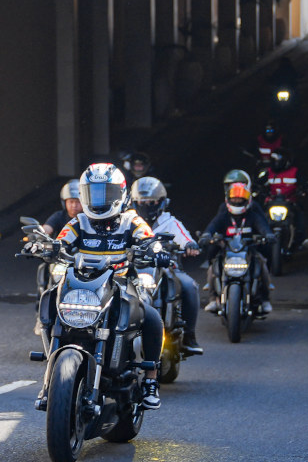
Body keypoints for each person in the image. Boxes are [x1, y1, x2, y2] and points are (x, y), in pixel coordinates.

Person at [55, 163, 165, 410]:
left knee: (152, 317)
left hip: (121, 287)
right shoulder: (79, 222)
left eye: (106, 193)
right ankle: (54, 364)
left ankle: (150, 379)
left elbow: (148, 239)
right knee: (51, 297)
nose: (99, 200)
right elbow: (60, 243)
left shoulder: (131, 220)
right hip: (83, 286)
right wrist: (44, 248)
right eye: (93, 193)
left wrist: (155, 249)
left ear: (120, 194)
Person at [130, 176, 205, 356]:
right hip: (134, 269)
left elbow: (184, 237)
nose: (147, 205)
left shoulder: (169, 222)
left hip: (168, 268)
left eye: (152, 202)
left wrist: (189, 245)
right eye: (142, 201)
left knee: (189, 286)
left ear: (162, 202)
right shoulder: (128, 221)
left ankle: (189, 336)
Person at [201, 180, 275, 315]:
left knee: (262, 265)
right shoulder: (223, 216)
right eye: (234, 198)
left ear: (247, 199)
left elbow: (263, 228)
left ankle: (265, 299)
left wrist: (268, 235)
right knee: (213, 268)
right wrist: (206, 235)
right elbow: (211, 227)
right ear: (228, 199)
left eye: (240, 198)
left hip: (249, 251)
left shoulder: (253, 216)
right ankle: (212, 298)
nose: (237, 200)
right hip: (227, 251)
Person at [257, 151, 308, 251]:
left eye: (278, 161)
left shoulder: (295, 171)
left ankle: (300, 240)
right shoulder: (269, 172)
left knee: (299, 214)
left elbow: (305, 183)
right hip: (272, 202)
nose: (276, 163)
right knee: (260, 215)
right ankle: (259, 239)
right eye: (274, 161)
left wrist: (305, 189)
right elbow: (258, 183)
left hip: (290, 202)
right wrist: (256, 189)